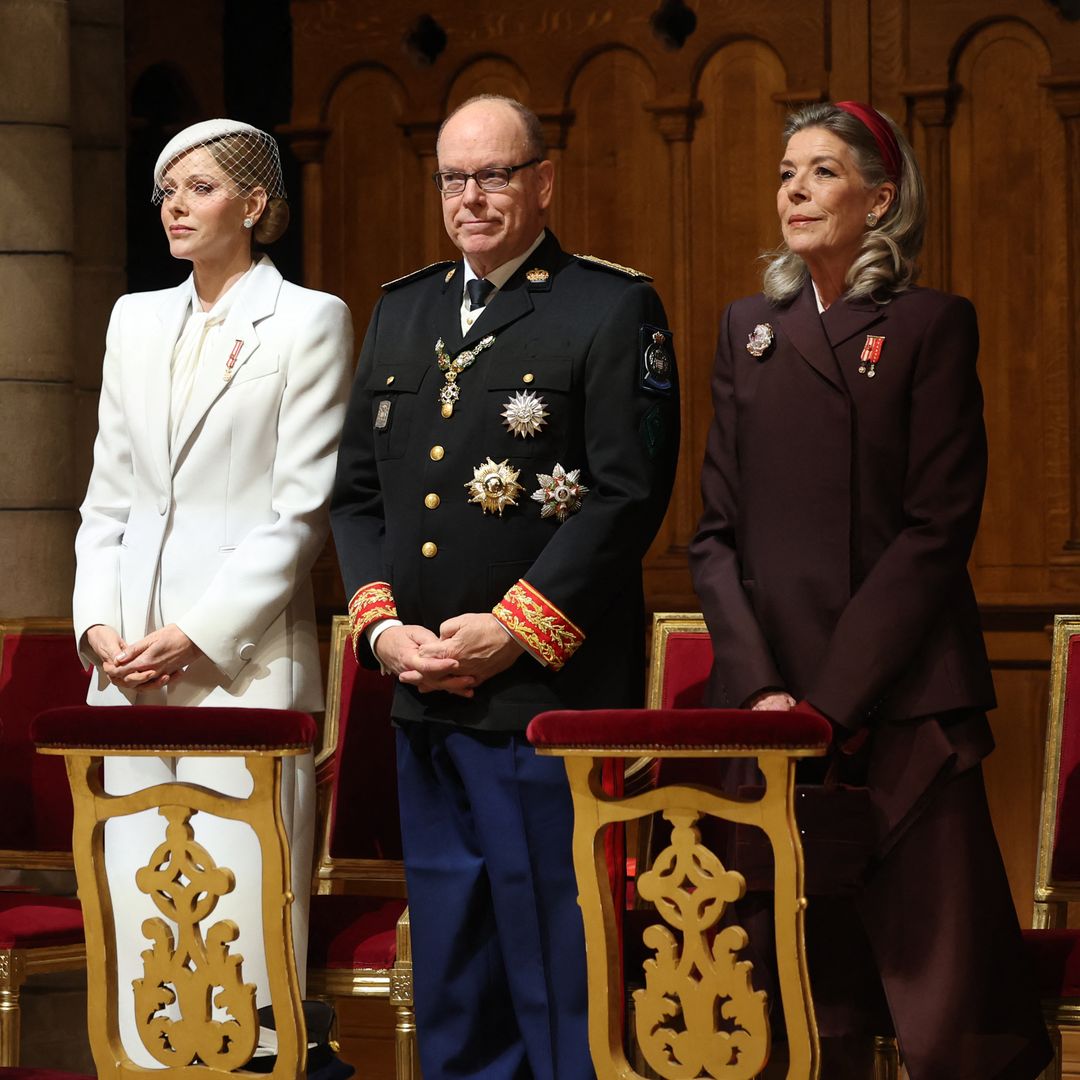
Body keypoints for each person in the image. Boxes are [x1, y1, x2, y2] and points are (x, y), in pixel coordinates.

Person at [688, 100, 1052, 1079]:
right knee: (796, 1007)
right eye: (784, 173)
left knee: (949, 1014)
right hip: (771, 722)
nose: (794, 191)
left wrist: (832, 702)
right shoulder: (747, 331)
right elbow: (714, 535)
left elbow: (937, 532)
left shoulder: (932, 325)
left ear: (880, 200)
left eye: (822, 173)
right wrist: (765, 698)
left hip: (900, 708)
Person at [330, 94, 679, 1079]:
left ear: (543, 181)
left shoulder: (610, 307)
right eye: (454, 177)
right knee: (455, 973)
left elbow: (627, 492)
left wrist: (514, 631)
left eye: (494, 175)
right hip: (424, 695)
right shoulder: (405, 310)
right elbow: (357, 496)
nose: (472, 197)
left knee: (556, 970)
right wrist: (382, 631)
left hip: (544, 702)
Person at [72, 119, 352, 1067]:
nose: (175, 208)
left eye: (197, 188)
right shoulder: (133, 319)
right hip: (130, 677)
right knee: (144, 917)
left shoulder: (309, 319)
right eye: (165, 193)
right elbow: (107, 498)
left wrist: (194, 632)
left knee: (240, 921)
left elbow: (301, 510)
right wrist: (100, 626)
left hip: (240, 672)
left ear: (256, 204)